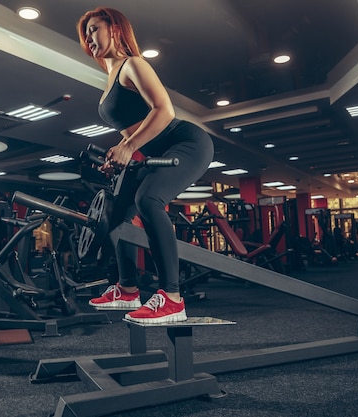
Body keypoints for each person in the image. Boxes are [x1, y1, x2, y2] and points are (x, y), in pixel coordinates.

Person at [77, 7, 214, 324]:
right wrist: (119, 153)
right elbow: (132, 129)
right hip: (152, 150)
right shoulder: (111, 76)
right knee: (115, 213)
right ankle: (127, 289)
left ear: (115, 29)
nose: (89, 37)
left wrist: (129, 146)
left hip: (187, 142)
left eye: (94, 29)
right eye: (86, 33)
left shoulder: (132, 64)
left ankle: (172, 297)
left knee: (148, 200)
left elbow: (163, 110)